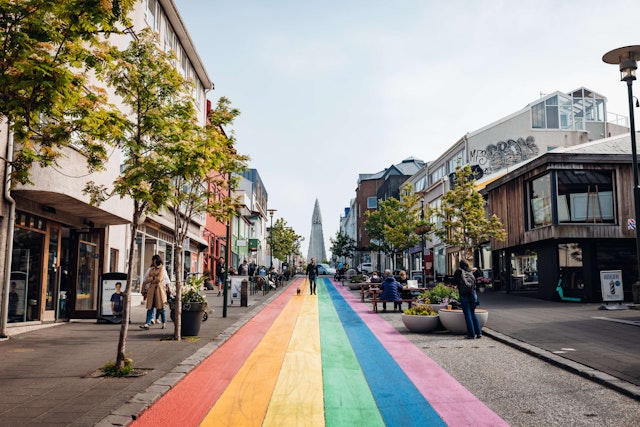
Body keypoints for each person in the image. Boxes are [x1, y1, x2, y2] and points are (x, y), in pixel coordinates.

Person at [454, 259, 482, 339]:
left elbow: (454, 281)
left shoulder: (458, 272)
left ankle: (471, 334)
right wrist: (475, 269)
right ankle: (479, 332)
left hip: (464, 295)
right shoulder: (471, 272)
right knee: (473, 313)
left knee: (467, 314)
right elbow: (479, 275)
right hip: (473, 295)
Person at [140, 255, 168, 330]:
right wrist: (153, 278)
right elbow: (146, 279)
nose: (153, 262)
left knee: (161, 307)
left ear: (156, 260)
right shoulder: (151, 269)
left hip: (159, 290)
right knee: (150, 307)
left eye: (153, 260)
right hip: (152, 290)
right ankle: (147, 323)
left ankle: (164, 323)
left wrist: (151, 279)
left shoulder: (162, 268)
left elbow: (159, 279)